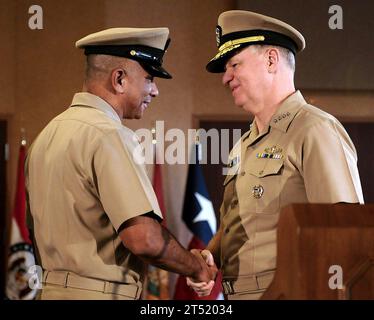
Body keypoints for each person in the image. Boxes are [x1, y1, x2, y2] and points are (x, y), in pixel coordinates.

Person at [25, 27, 216, 300]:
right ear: (119, 79)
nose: (155, 90)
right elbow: (145, 239)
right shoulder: (109, 135)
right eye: (149, 79)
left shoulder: (45, 137)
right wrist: (196, 267)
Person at [187, 10, 364, 300]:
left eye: (234, 64)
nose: (226, 78)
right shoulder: (242, 145)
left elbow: (345, 236)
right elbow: (239, 223)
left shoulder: (315, 129)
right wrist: (210, 257)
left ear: (271, 60)